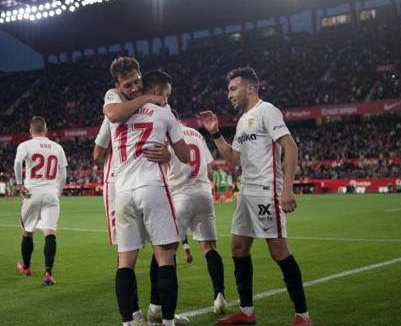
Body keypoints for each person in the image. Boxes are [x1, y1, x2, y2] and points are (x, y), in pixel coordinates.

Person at [200, 67, 312, 326]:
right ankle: (247, 313)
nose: (229, 94)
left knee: (278, 251)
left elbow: (290, 146)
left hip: (266, 191)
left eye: (233, 88)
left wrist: (287, 188)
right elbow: (234, 158)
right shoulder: (242, 120)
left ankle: (303, 317)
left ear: (249, 88)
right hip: (246, 192)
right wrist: (215, 133)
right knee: (238, 248)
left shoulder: (267, 110)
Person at [94, 57, 185, 325]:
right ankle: (164, 319)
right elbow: (186, 155)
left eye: (138, 82)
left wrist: (164, 152)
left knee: (126, 260)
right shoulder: (123, 104)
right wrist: (148, 99)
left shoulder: (116, 114)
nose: (134, 88)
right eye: (128, 84)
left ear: (143, 78)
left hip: (122, 190)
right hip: (151, 186)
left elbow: (100, 146)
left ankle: (134, 320)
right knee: (166, 253)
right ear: (117, 86)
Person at [167, 109, 228, 314]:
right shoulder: (197, 134)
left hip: (179, 196)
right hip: (204, 194)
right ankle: (219, 295)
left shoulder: (167, 135)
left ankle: (166, 309)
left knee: (167, 252)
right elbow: (210, 170)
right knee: (209, 247)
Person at [14, 116, 68, 286]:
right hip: (51, 193)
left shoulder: (25, 145)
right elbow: (63, 173)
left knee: (27, 231)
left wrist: (19, 184)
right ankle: (48, 273)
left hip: (32, 193)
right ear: (46, 129)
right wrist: (57, 192)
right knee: (50, 233)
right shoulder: (57, 147)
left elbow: (17, 163)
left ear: (31, 130)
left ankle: (27, 267)